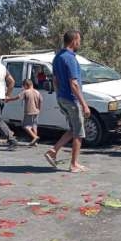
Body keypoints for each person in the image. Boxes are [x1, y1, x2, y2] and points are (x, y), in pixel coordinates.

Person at [44, 30, 91, 173]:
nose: (80, 43)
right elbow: (74, 84)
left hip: (62, 98)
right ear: (74, 41)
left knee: (73, 129)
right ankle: (74, 164)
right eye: (79, 40)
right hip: (72, 99)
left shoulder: (57, 57)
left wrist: (59, 96)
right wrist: (84, 104)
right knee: (79, 132)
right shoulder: (70, 58)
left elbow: (55, 80)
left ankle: (53, 151)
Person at [6, 79, 43, 146]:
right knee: (34, 126)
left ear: (26, 85)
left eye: (24, 86)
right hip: (36, 112)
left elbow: (17, 97)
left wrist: (8, 99)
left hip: (29, 111)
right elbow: (41, 100)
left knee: (26, 126)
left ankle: (35, 137)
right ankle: (35, 142)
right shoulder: (37, 92)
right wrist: (39, 109)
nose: (23, 87)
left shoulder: (26, 92)